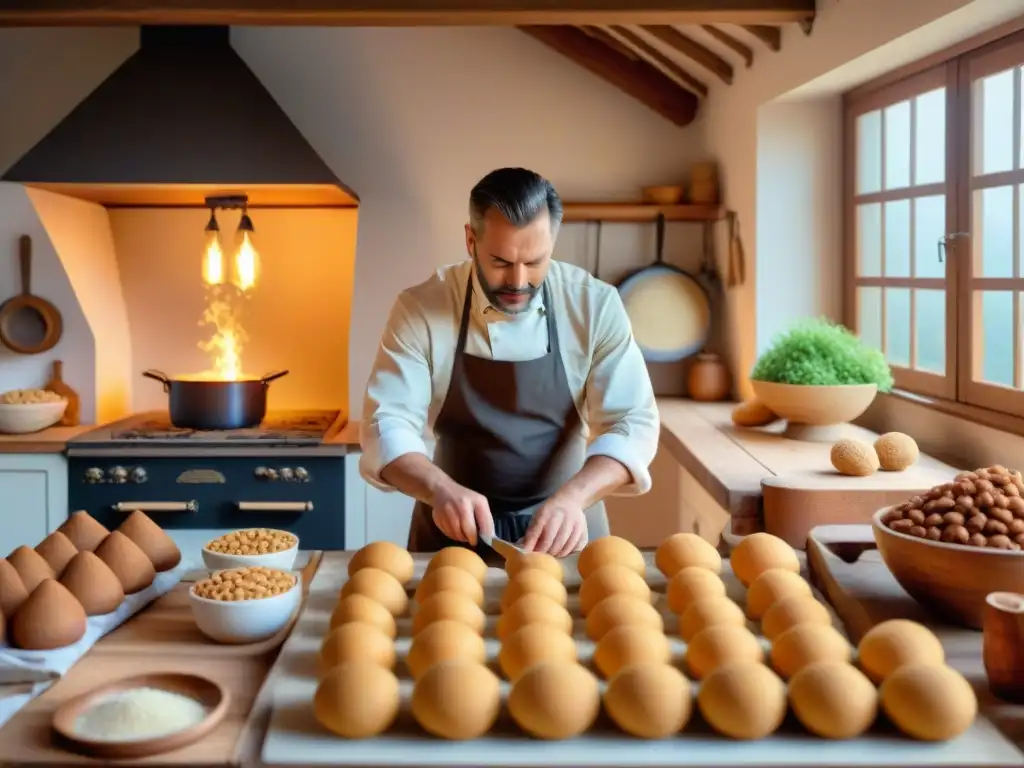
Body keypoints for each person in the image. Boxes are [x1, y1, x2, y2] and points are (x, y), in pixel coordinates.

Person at [359, 167, 659, 561]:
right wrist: (438, 489)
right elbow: (387, 422)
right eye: (500, 261)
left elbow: (632, 422)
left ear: (552, 242)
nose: (518, 281)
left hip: (566, 534)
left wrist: (574, 497)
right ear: (470, 239)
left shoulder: (594, 306)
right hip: (453, 534)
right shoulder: (421, 309)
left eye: (535, 262)